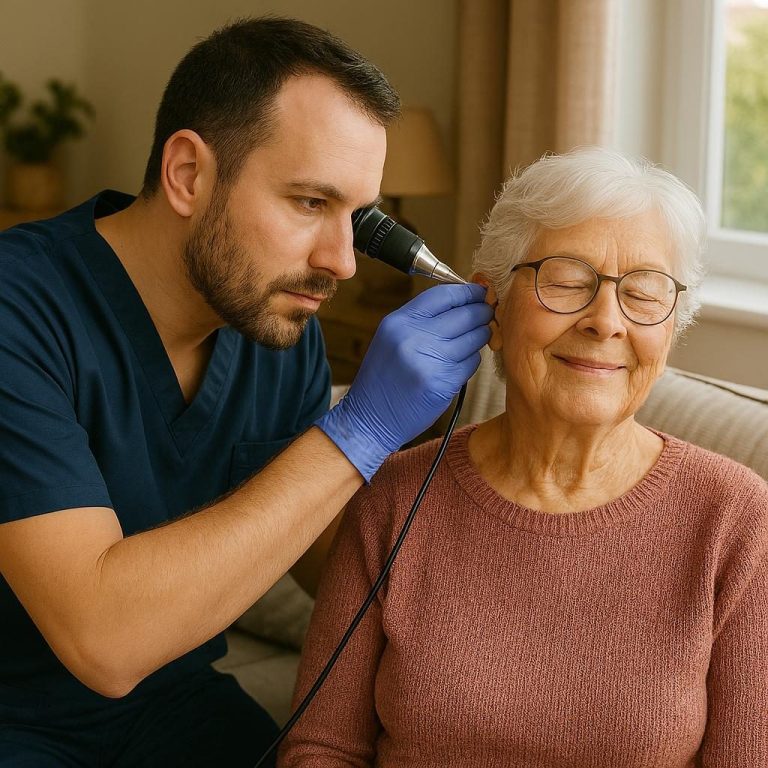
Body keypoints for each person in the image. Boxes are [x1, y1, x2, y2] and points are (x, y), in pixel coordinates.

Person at [0, 17, 492, 767]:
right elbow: (101, 640)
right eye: (308, 203)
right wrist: (354, 432)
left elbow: (335, 569)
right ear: (189, 174)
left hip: (171, 709)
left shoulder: (274, 332)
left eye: (355, 217)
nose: (343, 263)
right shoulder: (18, 310)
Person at [280, 147, 768, 767]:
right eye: (567, 280)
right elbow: (321, 748)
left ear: (671, 327)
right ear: (494, 307)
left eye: (645, 293)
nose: (606, 322)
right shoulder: (393, 498)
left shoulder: (736, 518)